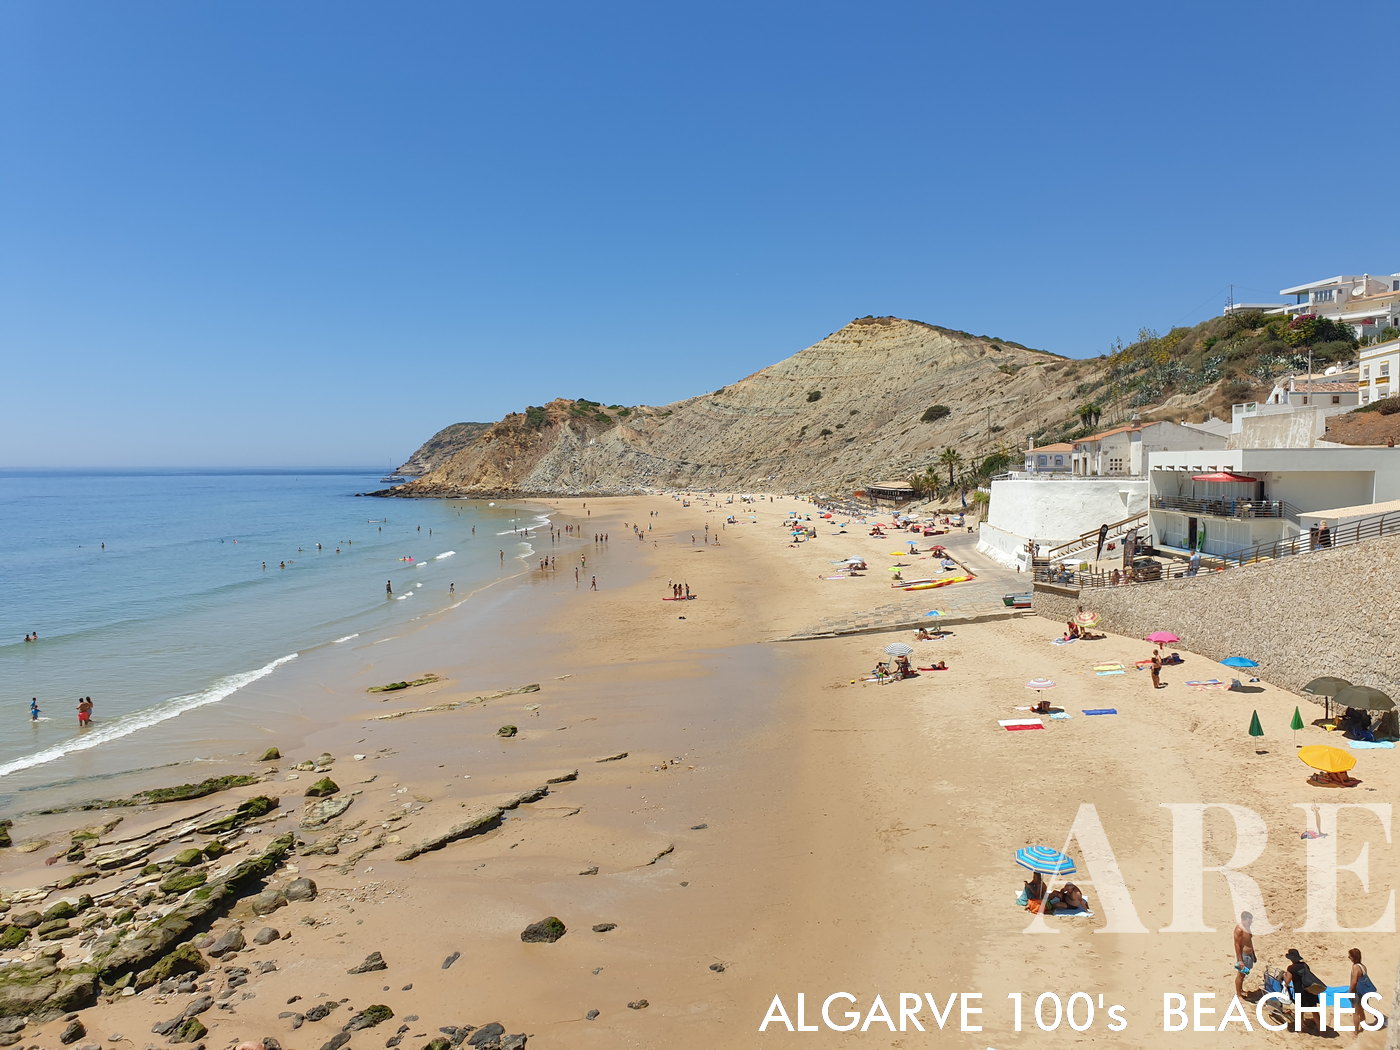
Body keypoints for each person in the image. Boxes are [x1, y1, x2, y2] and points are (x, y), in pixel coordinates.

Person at [1282, 948, 1325, 1032]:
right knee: (1314, 1011)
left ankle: (1300, 1029)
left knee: (1299, 1011)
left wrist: (1284, 975)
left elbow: (1287, 981)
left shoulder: (1291, 968)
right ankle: (1321, 1030)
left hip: (1300, 992)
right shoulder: (1304, 965)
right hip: (1310, 989)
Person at [1344, 947, 1378, 1028]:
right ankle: (1362, 1027)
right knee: (1361, 1011)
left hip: (1357, 992)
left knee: (1355, 1013)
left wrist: (1350, 991)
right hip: (1363, 992)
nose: (1349, 958)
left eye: (1350, 956)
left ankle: (1355, 1032)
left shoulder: (1355, 967)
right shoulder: (1363, 966)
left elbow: (1354, 982)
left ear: (1353, 957)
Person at [1232, 912, 1256, 1000]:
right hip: (1243, 956)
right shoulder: (1239, 930)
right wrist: (1240, 960)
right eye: (1249, 921)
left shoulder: (1247, 928)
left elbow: (1249, 941)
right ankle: (1238, 994)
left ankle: (1241, 989)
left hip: (1249, 955)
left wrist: (1253, 954)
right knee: (1240, 974)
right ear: (1243, 920)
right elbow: (1237, 945)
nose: (1251, 922)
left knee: (1244, 974)